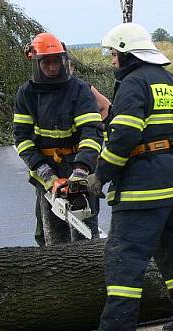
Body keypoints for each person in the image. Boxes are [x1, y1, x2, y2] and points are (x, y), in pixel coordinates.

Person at [84, 22, 173, 331]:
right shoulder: (171, 83)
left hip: (141, 186)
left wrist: (101, 174)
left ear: (127, 53)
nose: (112, 60)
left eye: (114, 54)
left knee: (124, 257)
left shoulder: (133, 83)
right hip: (170, 186)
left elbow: (125, 134)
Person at [13, 33, 104, 246]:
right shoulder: (26, 93)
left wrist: (81, 170)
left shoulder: (79, 89)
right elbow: (22, 139)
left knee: (86, 234)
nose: (53, 68)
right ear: (36, 63)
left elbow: (91, 132)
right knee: (52, 236)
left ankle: (90, 269)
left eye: (57, 62)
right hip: (46, 170)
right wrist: (46, 175)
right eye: (47, 63)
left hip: (78, 166)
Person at [31, 53, 112, 246]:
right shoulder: (36, 92)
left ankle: (87, 257)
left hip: (79, 159)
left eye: (60, 64)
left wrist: (94, 132)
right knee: (47, 218)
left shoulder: (81, 89)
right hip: (50, 164)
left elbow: (105, 106)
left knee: (84, 219)